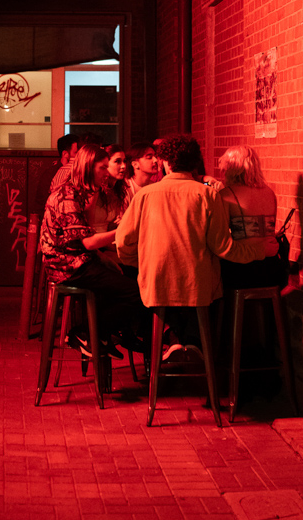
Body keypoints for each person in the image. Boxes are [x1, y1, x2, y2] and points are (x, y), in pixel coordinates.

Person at [115, 133, 279, 360]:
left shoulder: (144, 195)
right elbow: (223, 248)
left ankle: (174, 342)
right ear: (194, 163)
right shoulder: (208, 195)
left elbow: (123, 242)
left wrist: (141, 263)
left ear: (166, 163)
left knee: (165, 297)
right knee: (203, 291)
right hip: (197, 287)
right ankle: (194, 347)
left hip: (156, 285)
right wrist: (260, 250)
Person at [40, 143, 144, 357]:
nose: (107, 172)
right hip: (66, 266)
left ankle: (104, 336)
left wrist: (104, 258)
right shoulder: (68, 195)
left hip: (80, 260)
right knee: (137, 292)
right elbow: (87, 242)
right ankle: (86, 333)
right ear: (88, 167)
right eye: (103, 167)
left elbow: (84, 241)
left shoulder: (85, 192)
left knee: (133, 277)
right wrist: (125, 230)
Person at [216, 145, 286, 289]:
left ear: (232, 168)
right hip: (272, 266)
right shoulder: (269, 192)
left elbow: (221, 239)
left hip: (243, 270)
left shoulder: (227, 195)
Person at [32, 133, 78, 215]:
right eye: (76, 153)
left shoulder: (77, 172)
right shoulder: (51, 174)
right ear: (65, 154)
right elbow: (42, 203)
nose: (79, 156)